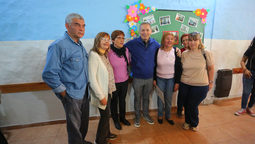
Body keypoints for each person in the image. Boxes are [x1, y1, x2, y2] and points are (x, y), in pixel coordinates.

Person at [42, 13, 92, 144]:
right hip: (72, 95)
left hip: (84, 92)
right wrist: (65, 94)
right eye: (77, 25)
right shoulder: (59, 46)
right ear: (67, 26)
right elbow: (48, 74)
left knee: (83, 125)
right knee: (74, 129)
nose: (81, 29)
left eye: (83, 26)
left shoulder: (79, 44)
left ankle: (82, 141)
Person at [124, 22, 161, 127]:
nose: (145, 32)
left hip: (150, 77)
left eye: (147, 30)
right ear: (139, 31)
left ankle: (146, 114)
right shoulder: (132, 43)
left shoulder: (155, 43)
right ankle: (137, 116)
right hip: (137, 77)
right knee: (137, 98)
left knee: (146, 98)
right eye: (143, 30)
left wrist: (175, 49)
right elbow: (121, 47)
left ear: (151, 31)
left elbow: (164, 50)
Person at [179, 32, 214, 132]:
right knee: (186, 104)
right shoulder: (184, 54)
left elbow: (211, 68)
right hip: (185, 84)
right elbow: (181, 68)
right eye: (190, 40)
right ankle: (187, 122)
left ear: (200, 41)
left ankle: (194, 123)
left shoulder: (205, 53)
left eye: (195, 40)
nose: (192, 42)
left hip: (200, 85)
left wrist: (211, 82)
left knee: (192, 105)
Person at [88, 32, 117, 144]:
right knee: (105, 117)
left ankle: (107, 133)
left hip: (108, 90)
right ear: (97, 41)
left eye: (108, 39)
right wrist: (101, 96)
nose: (106, 41)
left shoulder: (103, 54)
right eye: (103, 39)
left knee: (107, 115)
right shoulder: (93, 55)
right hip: (102, 93)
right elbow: (92, 79)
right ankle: (100, 141)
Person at [153, 32, 182, 125]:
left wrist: (177, 82)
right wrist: (154, 79)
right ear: (163, 40)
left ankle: (168, 116)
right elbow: (154, 66)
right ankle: (160, 115)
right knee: (160, 98)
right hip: (159, 78)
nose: (169, 41)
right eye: (167, 38)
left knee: (168, 99)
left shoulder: (176, 51)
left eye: (171, 39)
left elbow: (178, 69)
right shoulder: (157, 51)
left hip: (171, 79)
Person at [108, 30, 131, 130]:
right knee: (114, 102)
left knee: (122, 101)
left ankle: (122, 118)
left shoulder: (126, 50)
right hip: (113, 83)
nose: (122, 40)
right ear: (113, 40)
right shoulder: (108, 51)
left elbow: (129, 62)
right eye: (119, 38)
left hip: (125, 80)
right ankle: (115, 120)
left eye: (123, 38)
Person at [234, 37, 255, 117]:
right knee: (246, 92)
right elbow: (242, 61)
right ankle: (243, 108)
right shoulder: (250, 50)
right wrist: (245, 69)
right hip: (249, 73)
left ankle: (249, 108)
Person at [177, 33, 189, 118]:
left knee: (190, 96)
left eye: (187, 39)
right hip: (182, 76)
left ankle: (188, 110)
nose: (185, 42)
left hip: (192, 77)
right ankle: (179, 109)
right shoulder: (180, 51)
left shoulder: (195, 51)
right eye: (183, 40)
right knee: (182, 94)